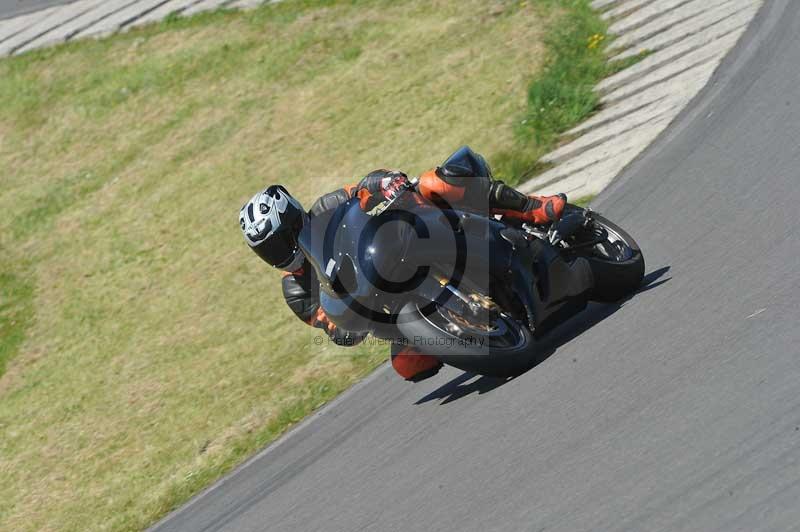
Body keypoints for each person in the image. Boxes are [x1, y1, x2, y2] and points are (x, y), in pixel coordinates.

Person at [239, 146, 566, 382]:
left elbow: (363, 192)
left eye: (283, 239)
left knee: (432, 183)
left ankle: (531, 206)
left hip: (404, 246)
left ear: (296, 219)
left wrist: (381, 184)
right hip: (388, 310)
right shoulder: (295, 289)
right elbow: (329, 324)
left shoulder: (328, 206)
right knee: (409, 364)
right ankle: (470, 331)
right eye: (269, 250)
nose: (282, 252)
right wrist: (340, 327)